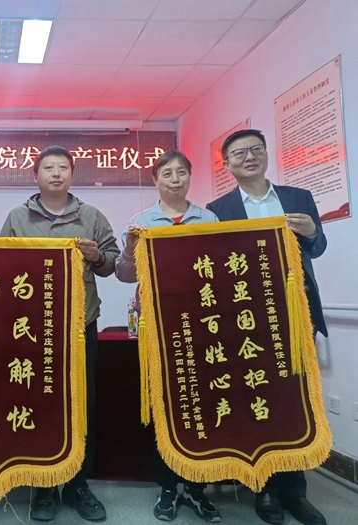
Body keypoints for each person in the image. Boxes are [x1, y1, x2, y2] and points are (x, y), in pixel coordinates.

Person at [207, 129, 327, 525]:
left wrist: (312, 232)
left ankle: (296, 492)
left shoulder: (297, 198)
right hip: (248, 318)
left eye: (256, 150)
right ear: (227, 164)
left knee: (297, 400)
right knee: (258, 399)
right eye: (239, 153)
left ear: (266, 154)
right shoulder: (218, 209)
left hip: (296, 313)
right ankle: (265, 489)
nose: (249, 157)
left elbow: (318, 247)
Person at [0, 146, 119, 522]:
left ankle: (79, 484)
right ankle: (44, 485)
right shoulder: (18, 216)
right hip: (33, 330)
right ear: (35, 175)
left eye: (63, 167)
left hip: (80, 326)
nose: (56, 173)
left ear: (72, 174)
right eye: (49, 168)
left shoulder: (91, 215)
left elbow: (113, 262)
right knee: (40, 404)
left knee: (83, 404)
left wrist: (97, 256)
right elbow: (1, 265)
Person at [115, 151, 222, 523]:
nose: (175, 179)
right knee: (163, 405)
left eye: (181, 173)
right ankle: (167, 486)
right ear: (155, 180)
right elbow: (125, 275)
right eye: (167, 173)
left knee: (201, 404)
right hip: (158, 324)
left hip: (200, 323)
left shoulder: (208, 219)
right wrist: (130, 250)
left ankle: (196, 488)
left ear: (190, 177)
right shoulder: (141, 222)